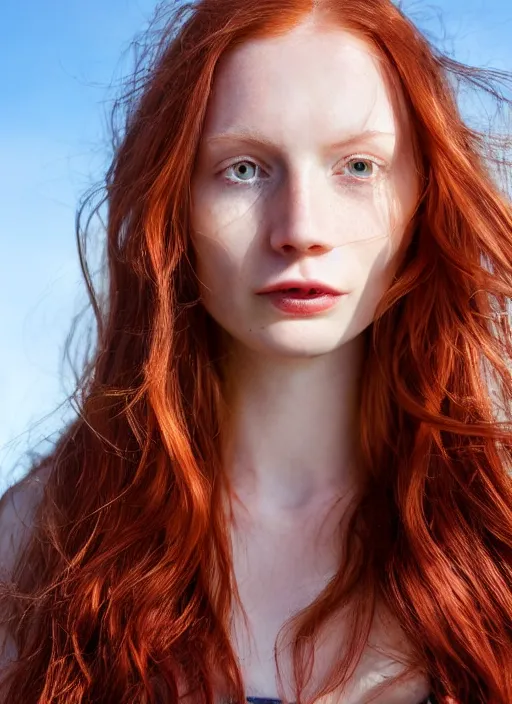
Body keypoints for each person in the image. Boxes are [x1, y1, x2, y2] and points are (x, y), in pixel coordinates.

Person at [0, 0, 511, 702]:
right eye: (243, 169)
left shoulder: (495, 535)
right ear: (172, 200)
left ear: (423, 197)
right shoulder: (44, 540)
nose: (301, 228)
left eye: (357, 166)